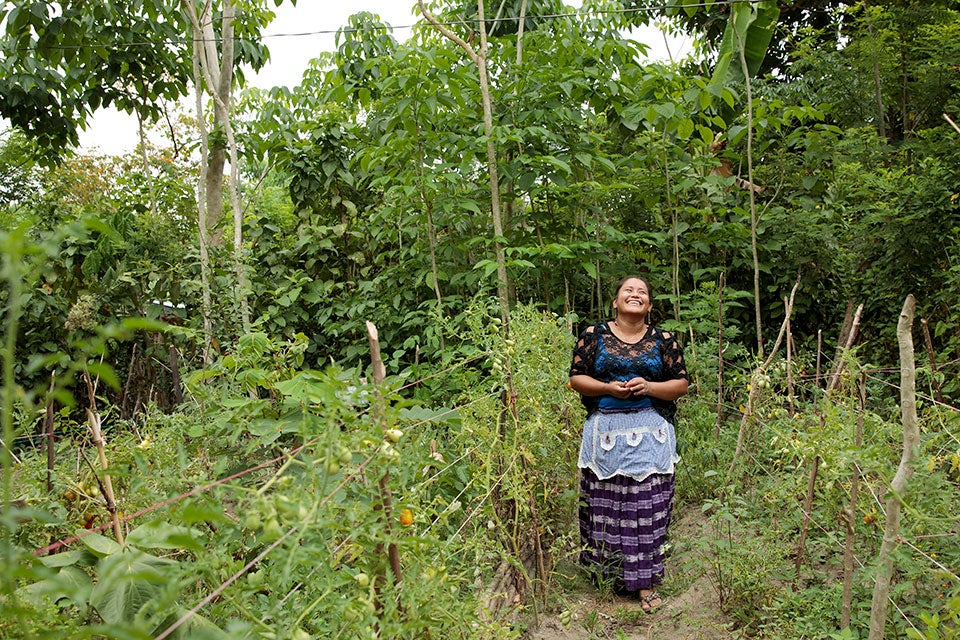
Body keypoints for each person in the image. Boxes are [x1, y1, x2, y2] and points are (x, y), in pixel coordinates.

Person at [569, 275, 688, 613]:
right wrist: (608, 389)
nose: (635, 295)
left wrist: (649, 387)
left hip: (652, 434)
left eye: (642, 293)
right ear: (616, 302)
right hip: (604, 432)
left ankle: (645, 583)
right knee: (606, 501)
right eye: (628, 291)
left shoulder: (665, 340)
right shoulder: (593, 336)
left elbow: (681, 384)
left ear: (649, 305)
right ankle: (608, 578)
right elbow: (576, 378)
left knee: (646, 504)